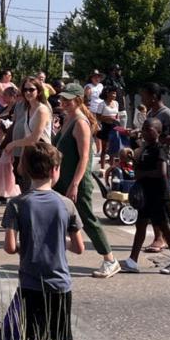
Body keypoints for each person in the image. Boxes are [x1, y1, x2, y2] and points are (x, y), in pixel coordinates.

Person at [1, 141, 85, 340]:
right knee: (62, 339)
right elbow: (79, 247)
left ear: (26, 170)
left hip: (31, 283)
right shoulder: (66, 204)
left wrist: (26, 246)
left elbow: (10, 246)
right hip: (60, 283)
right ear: (54, 171)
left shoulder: (17, 204)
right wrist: (59, 242)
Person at [54, 83, 118, 278]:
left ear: (78, 99)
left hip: (77, 181)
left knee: (87, 218)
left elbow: (84, 158)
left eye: (67, 99)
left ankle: (110, 259)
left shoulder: (80, 123)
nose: (63, 102)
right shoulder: (68, 119)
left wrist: (75, 184)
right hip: (62, 179)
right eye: (62, 98)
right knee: (57, 218)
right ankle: (56, 257)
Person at [119, 118, 170, 275]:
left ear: (158, 132)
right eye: (144, 129)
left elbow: (161, 172)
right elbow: (139, 167)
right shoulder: (144, 148)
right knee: (140, 226)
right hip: (146, 194)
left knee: (164, 226)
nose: (145, 132)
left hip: (158, 194)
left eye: (149, 129)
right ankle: (132, 261)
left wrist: (141, 174)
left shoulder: (159, 149)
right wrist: (132, 161)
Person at [139, 83, 170, 253]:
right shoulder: (151, 113)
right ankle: (158, 236)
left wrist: (158, 138)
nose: (142, 99)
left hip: (165, 162)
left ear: (153, 96)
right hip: (152, 159)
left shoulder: (168, 114)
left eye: (144, 95)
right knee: (152, 200)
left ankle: (161, 239)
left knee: (160, 200)